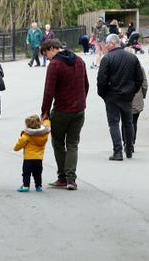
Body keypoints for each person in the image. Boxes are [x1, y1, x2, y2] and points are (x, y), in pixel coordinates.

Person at [40, 38, 89, 191]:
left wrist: (45, 112)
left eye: (46, 54)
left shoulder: (55, 65)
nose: (47, 58)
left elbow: (49, 91)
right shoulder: (80, 61)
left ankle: (62, 176)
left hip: (61, 110)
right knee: (73, 144)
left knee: (58, 143)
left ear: (52, 48)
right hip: (79, 110)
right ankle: (71, 179)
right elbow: (86, 84)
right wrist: (80, 101)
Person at [97, 34, 145, 161]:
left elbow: (101, 80)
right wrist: (132, 91)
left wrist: (103, 94)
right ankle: (129, 149)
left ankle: (117, 151)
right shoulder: (132, 58)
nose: (105, 46)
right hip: (127, 95)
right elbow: (139, 79)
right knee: (128, 122)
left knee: (113, 123)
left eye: (106, 43)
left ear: (113, 43)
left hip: (111, 95)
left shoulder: (107, 59)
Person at [13, 114, 51, 192]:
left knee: (26, 174)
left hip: (28, 159)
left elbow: (20, 144)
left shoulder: (27, 135)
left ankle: (26, 186)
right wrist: (46, 119)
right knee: (37, 174)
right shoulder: (44, 133)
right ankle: (38, 186)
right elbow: (47, 124)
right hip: (39, 159)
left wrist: (15, 148)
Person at [131, 71, 149, 148]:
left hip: (122, 97)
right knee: (134, 121)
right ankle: (132, 142)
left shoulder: (119, 62)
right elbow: (144, 84)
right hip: (137, 97)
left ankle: (126, 141)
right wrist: (143, 95)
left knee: (125, 121)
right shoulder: (138, 66)